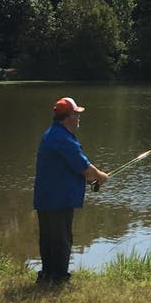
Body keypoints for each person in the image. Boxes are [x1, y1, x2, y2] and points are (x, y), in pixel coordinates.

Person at [32, 97, 109, 286]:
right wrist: (100, 176)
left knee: (49, 238)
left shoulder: (51, 134)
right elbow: (83, 167)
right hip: (59, 199)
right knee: (61, 239)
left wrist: (93, 176)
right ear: (68, 117)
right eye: (76, 114)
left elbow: (74, 167)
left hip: (46, 197)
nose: (78, 118)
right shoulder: (63, 139)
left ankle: (47, 275)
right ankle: (59, 279)